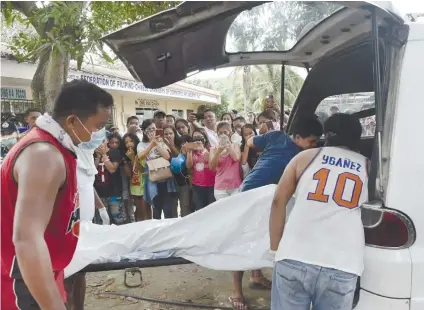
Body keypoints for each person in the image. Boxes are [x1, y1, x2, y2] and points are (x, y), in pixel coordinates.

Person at [1, 79, 113, 309]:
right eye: (97, 127)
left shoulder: (57, 148)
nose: (99, 134)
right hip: (24, 280)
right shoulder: (44, 155)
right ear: (73, 121)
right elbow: (27, 240)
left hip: (43, 272)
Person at [269, 113, 368, 310]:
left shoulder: (305, 157)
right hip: (342, 262)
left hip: (294, 254)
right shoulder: (368, 166)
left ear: (327, 135)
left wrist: (276, 248)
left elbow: (278, 201)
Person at [230, 116, 323, 310]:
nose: (314, 145)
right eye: (312, 141)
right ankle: (236, 291)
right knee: (242, 242)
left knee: (261, 237)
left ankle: (256, 276)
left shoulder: (276, 136)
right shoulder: (301, 155)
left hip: (269, 197)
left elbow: (251, 141)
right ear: (298, 137)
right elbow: (249, 141)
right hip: (251, 195)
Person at [65, 127, 111, 310]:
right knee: (68, 276)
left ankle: (79, 308)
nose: (100, 139)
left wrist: (101, 208)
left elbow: (87, 186)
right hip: (69, 228)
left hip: (85, 226)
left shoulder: (86, 155)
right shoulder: (69, 155)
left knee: (81, 273)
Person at [138, 119, 178, 219]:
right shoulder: (141, 145)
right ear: (144, 131)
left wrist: (157, 144)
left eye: (154, 129)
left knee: (168, 209)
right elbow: (141, 156)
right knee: (156, 209)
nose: (152, 131)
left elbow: (167, 156)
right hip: (152, 178)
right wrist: (151, 144)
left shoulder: (161, 142)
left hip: (166, 178)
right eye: (149, 129)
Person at [209, 122, 242, 200]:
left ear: (230, 133)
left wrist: (229, 146)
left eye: (225, 132)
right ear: (217, 134)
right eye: (220, 133)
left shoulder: (235, 145)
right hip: (220, 187)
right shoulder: (213, 149)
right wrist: (218, 151)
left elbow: (236, 158)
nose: (223, 135)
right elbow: (212, 167)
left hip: (235, 186)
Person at [122, 132, 151, 221]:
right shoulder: (126, 155)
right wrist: (127, 160)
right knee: (138, 212)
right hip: (134, 186)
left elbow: (142, 170)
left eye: (131, 141)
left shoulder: (141, 152)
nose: (129, 144)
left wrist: (132, 158)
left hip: (144, 185)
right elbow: (129, 174)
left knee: (145, 212)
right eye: (126, 142)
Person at [186, 128, 216, 210]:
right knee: (200, 208)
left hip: (211, 184)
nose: (197, 139)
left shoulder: (211, 149)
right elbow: (189, 165)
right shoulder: (192, 151)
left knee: (211, 209)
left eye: (199, 137)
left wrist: (202, 149)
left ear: (205, 139)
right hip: (197, 185)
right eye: (195, 137)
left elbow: (213, 165)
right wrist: (189, 151)